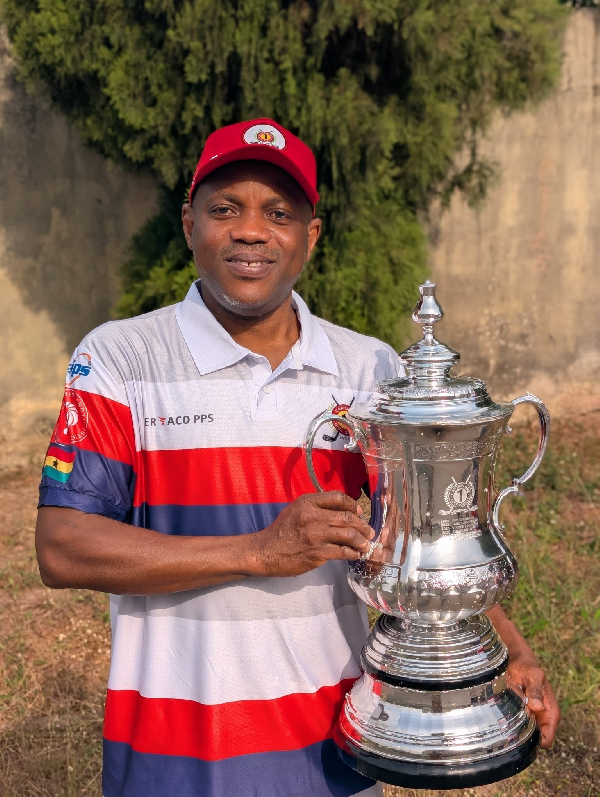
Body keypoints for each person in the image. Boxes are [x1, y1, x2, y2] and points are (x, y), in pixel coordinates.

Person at [35, 119, 559, 797]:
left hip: (336, 752)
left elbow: (424, 542)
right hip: (172, 760)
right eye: (225, 208)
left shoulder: (368, 365)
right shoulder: (118, 358)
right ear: (189, 222)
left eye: (279, 213)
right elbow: (63, 547)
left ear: (310, 237)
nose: (251, 231)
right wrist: (258, 549)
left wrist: (511, 650)